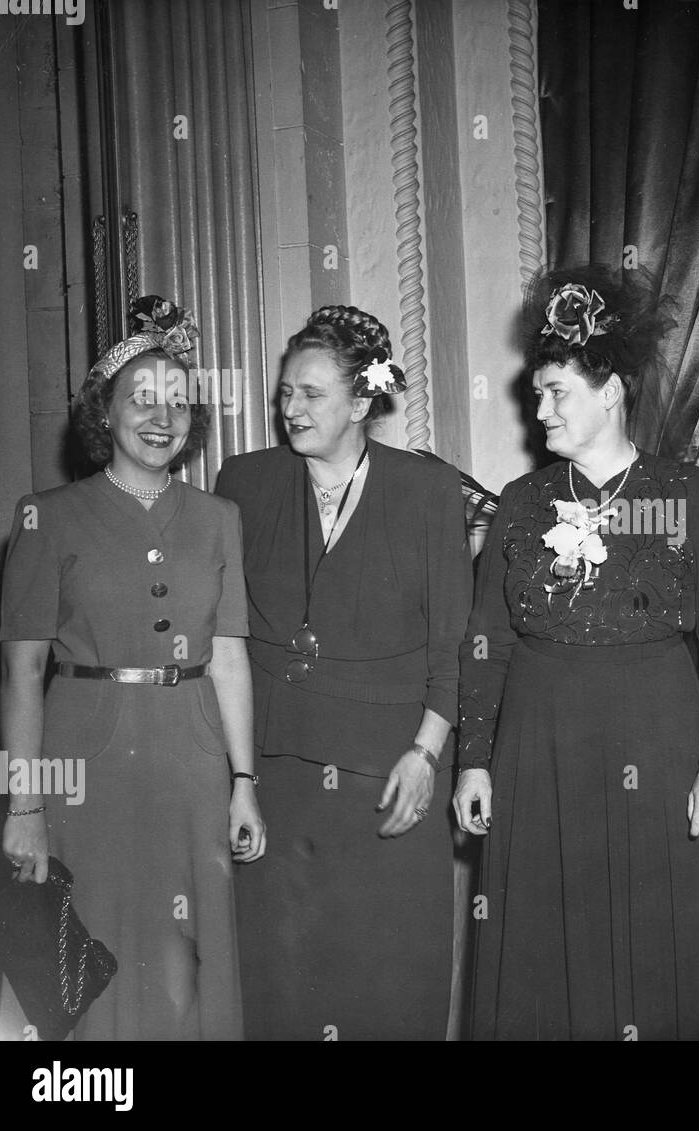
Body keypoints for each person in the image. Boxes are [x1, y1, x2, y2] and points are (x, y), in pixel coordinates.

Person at [454, 266, 699, 1040]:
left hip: (655, 739)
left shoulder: (688, 494)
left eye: (557, 391)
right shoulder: (521, 503)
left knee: (654, 946)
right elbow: (485, 643)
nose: (540, 407)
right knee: (544, 947)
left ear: (612, 390)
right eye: (537, 392)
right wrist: (475, 759)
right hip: (539, 746)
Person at [0, 295, 264, 1040]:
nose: (163, 416)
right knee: (100, 958)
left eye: (179, 403)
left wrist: (244, 783)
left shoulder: (219, 518)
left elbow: (232, 657)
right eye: (142, 399)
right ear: (103, 413)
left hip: (194, 760)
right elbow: (20, 675)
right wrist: (24, 806)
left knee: (190, 960)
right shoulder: (44, 516)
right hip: (87, 766)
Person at [213, 305, 471, 1040]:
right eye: (286, 392)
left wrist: (426, 755)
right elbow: (222, 632)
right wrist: (239, 777)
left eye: (312, 394)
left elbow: (452, 643)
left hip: (387, 776)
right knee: (284, 984)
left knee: (387, 985)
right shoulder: (245, 481)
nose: (291, 409)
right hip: (278, 779)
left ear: (362, 402)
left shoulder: (428, 491)